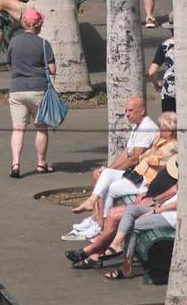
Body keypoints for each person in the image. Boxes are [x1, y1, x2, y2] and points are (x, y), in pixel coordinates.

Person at [61, 100, 159, 236]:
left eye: (130, 111)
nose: (127, 114)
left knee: (107, 182)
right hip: (133, 172)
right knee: (99, 174)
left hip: (139, 175)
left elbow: (134, 159)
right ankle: (95, 216)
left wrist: (113, 172)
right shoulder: (137, 126)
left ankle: (100, 224)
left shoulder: (147, 127)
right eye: (126, 111)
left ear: (142, 110)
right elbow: (126, 153)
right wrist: (109, 169)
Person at [4, 7, 56, 179]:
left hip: (17, 89)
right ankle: (41, 163)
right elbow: (52, 69)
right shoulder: (43, 44)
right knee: (41, 128)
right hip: (38, 89)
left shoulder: (13, 41)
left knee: (18, 130)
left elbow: (10, 66)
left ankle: (15, 163)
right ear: (38, 24)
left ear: (24, 23)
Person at [149, 34, 176, 110]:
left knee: (169, 121)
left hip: (169, 93)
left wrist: (156, 85)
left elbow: (152, 72)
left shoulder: (164, 45)